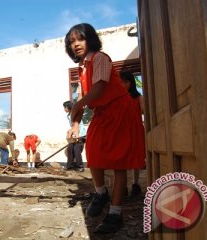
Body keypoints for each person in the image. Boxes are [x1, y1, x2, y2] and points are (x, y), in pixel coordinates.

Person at [64, 23, 145, 233]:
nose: (76, 44)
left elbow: (98, 89)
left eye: (79, 39)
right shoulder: (81, 68)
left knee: (119, 163)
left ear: (89, 39)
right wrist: (74, 124)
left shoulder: (100, 58)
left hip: (119, 109)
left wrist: (77, 107)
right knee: (92, 151)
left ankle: (115, 214)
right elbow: (84, 95)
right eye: (71, 41)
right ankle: (101, 193)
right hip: (102, 112)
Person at [120, 71, 145, 196]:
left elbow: (146, 112)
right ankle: (122, 186)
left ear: (131, 83)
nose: (123, 84)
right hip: (121, 131)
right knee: (122, 158)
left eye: (125, 81)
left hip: (135, 130)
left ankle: (136, 184)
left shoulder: (138, 97)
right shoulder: (117, 99)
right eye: (120, 82)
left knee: (136, 157)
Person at [63, 101, 85, 172]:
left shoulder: (74, 113)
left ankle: (80, 166)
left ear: (68, 107)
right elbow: (73, 126)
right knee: (70, 149)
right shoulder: (69, 115)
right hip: (74, 134)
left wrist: (76, 135)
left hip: (80, 134)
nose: (64, 109)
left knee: (77, 150)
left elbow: (77, 125)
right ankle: (69, 165)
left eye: (65, 107)